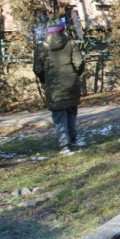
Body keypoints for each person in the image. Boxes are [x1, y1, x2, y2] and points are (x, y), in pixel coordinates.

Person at [33, 18, 85, 155]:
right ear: (63, 29)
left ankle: (65, 145)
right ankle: (73, 141)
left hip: (54, 85)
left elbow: (38, 69)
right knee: (71, 113)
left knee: (59, 115)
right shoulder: (71, 43)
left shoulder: (41, 47)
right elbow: (79, 63)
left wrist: (46, 79)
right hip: (71, 83)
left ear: (48, 31)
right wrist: (74, 75)